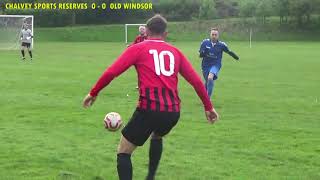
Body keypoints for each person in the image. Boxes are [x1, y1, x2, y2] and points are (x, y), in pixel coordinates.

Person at [83, 14, 219, 180]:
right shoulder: (176, 52)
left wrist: (93, 93)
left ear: (146, 31)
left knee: (123, 151)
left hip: (149, 109)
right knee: (157, 135)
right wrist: (208, 107)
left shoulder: (138, 48)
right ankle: (151, 177)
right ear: (165, 33)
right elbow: (197, 81)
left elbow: (112, 72)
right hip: (172, 112)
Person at [199, 28, 239, 98]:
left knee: (210, 78)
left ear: (218, 36)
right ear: (210, 35)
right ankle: (204, 98)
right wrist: (205, 52)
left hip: (216, 65)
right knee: (207, 81)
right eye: (212, 34)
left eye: (215, 35)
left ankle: (208, 99)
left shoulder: (222, 45)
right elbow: (200, 55)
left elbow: (229, 51)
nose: (214, 36)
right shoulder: (204, 42)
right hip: (205, 66)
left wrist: (236, 57)